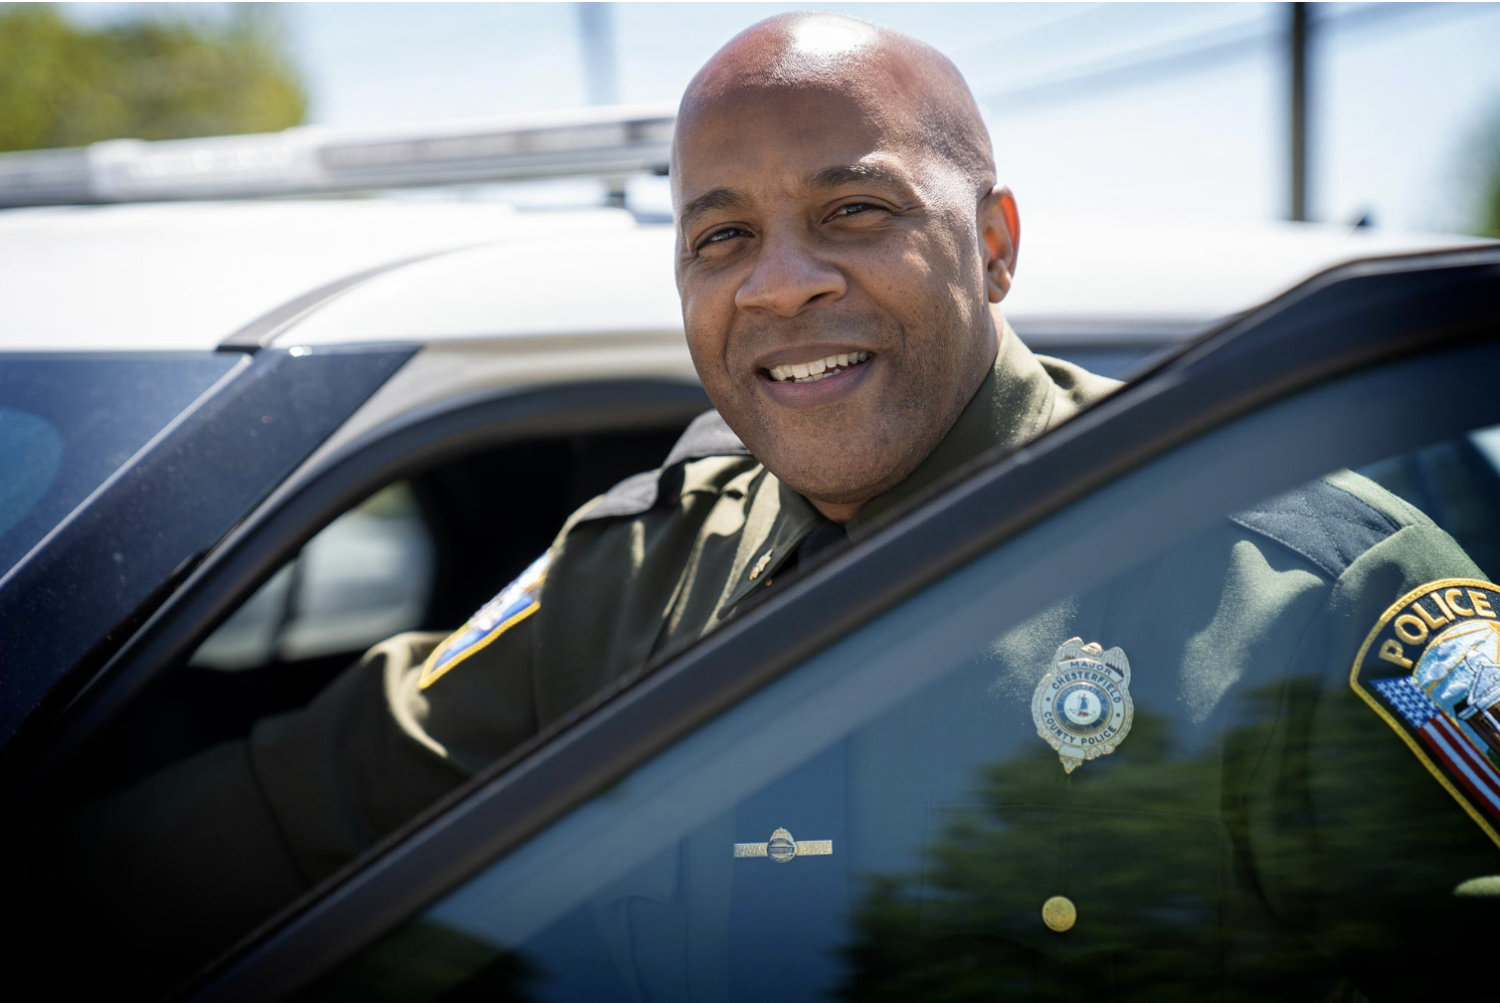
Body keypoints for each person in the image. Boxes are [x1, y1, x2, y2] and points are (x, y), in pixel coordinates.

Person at [19, 12, 1500, 1000]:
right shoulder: (636, 572)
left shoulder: (1319, 594)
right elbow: (273, 826)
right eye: (721, 236)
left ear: (992, 243)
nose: (779, 281)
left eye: (854, 213)